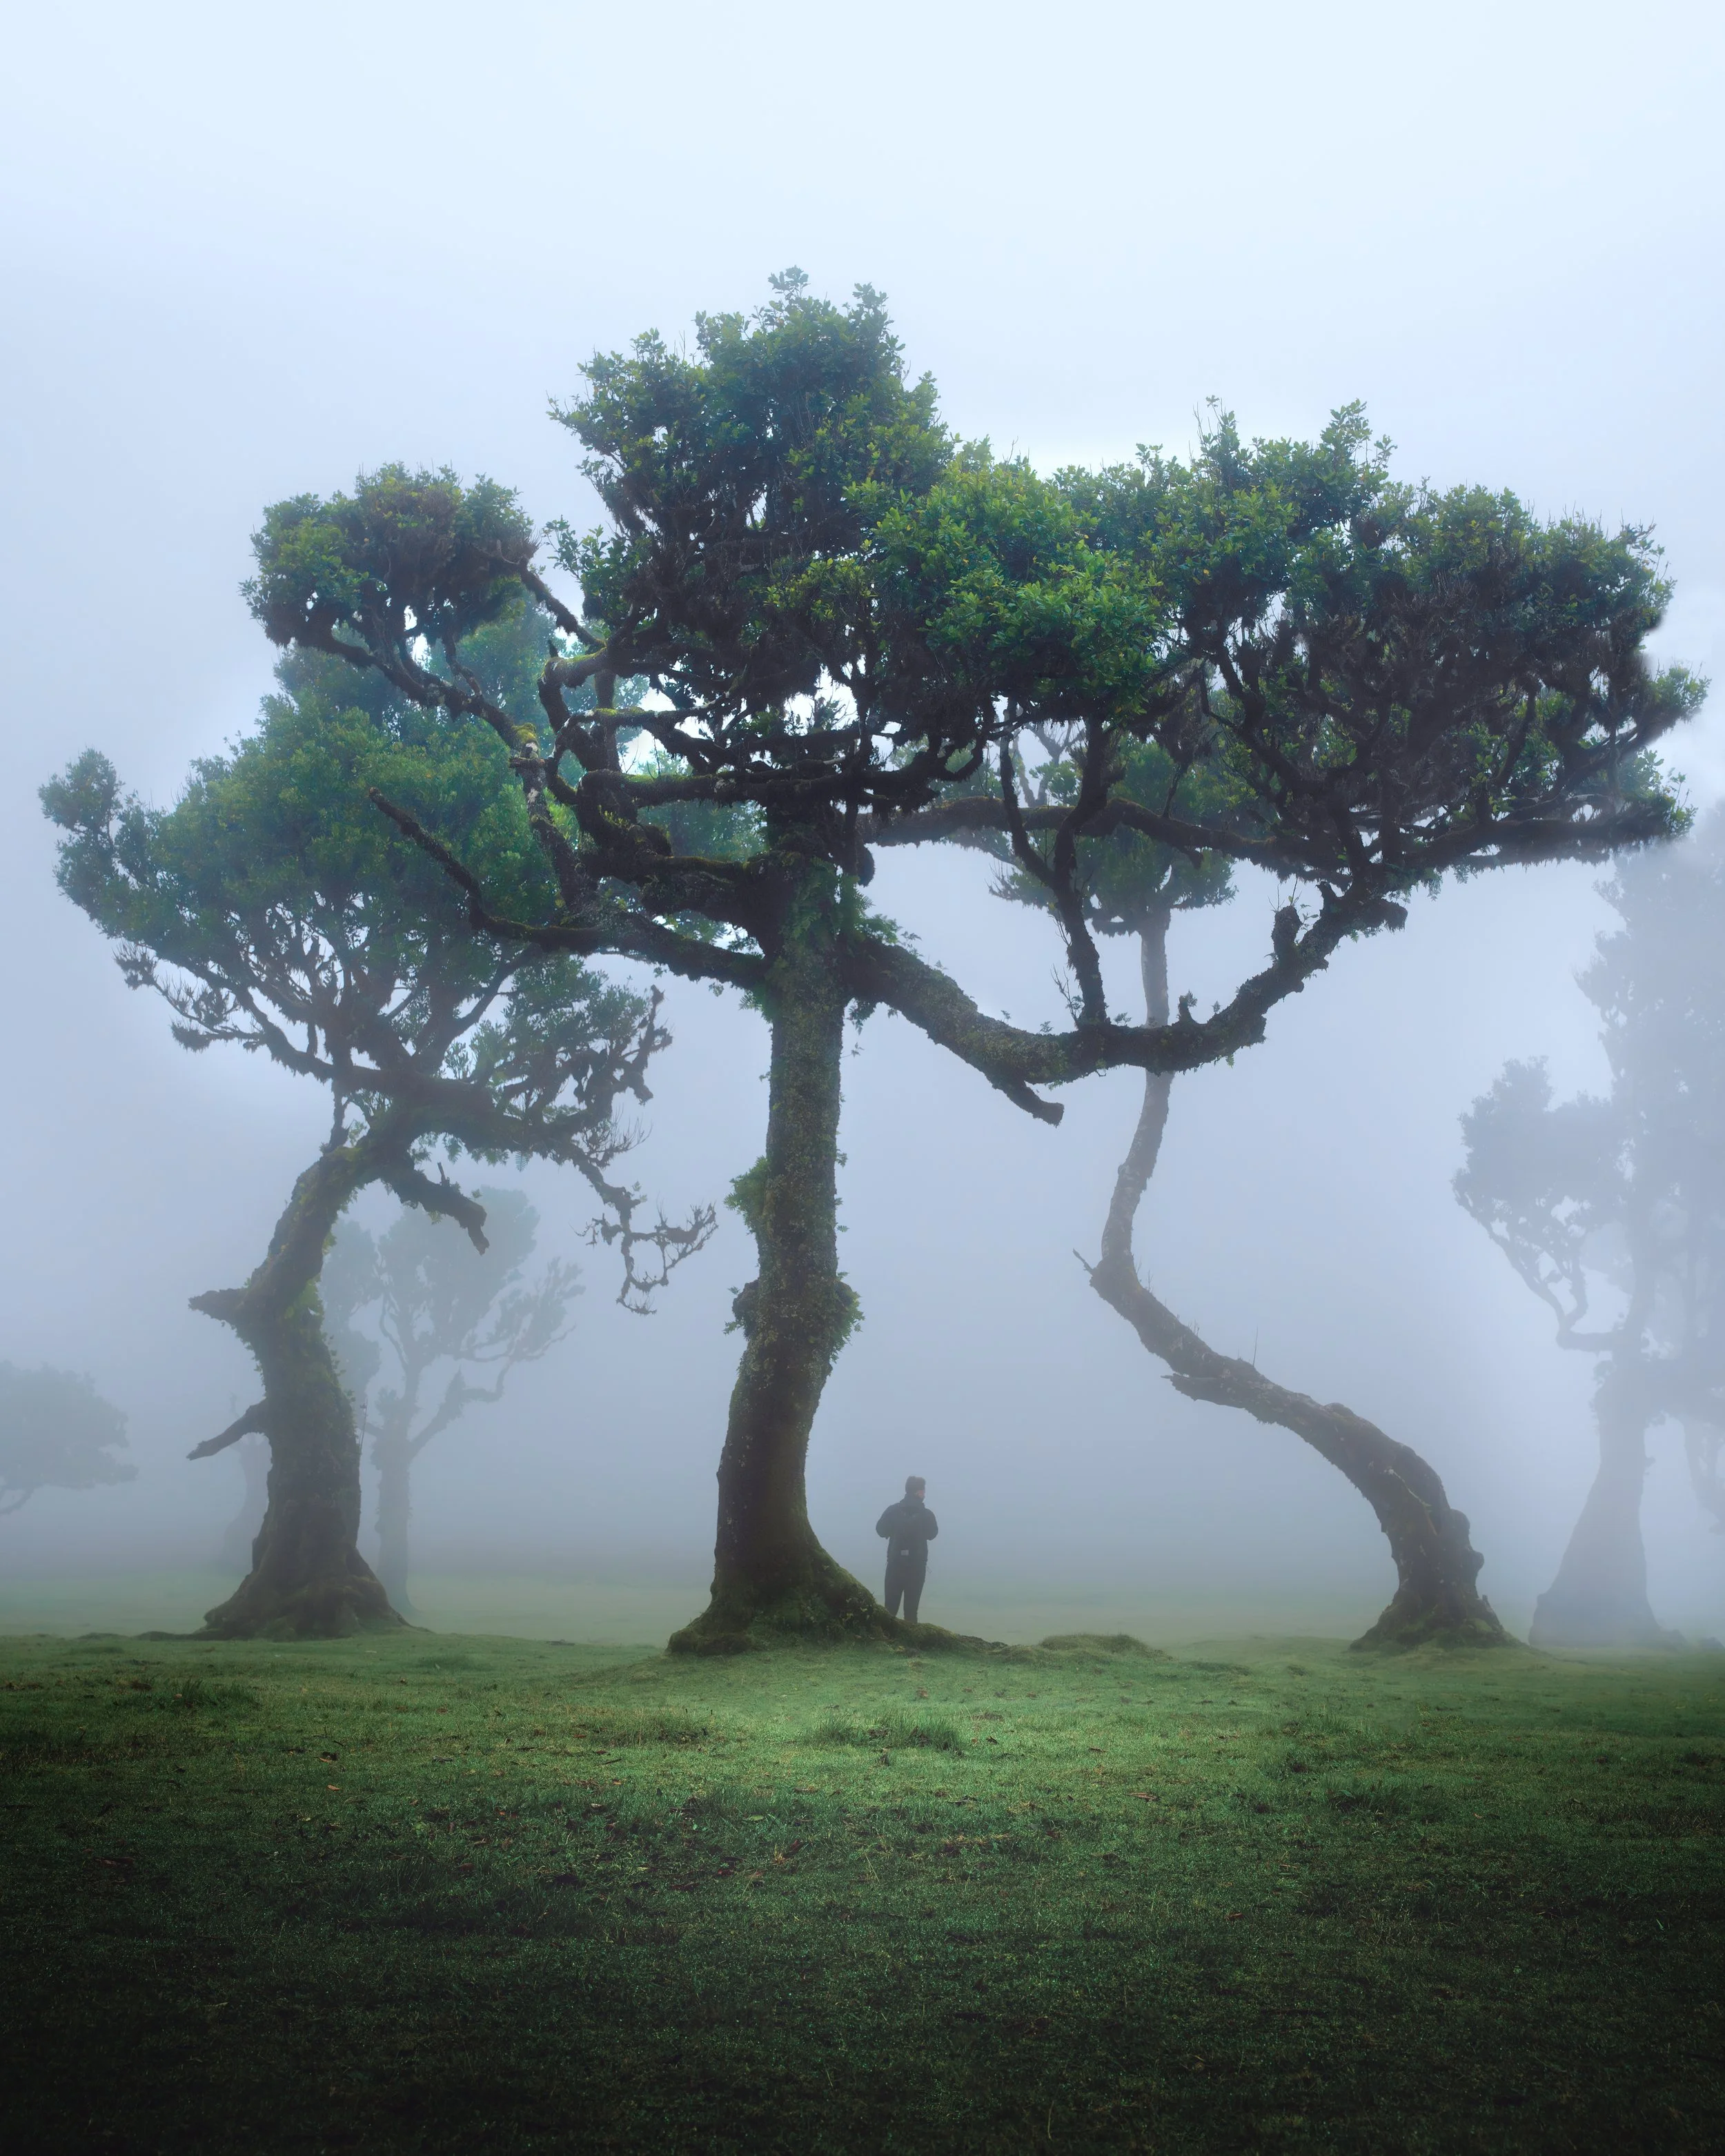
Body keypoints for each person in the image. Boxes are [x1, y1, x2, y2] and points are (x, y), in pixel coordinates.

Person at [876, 1475, 938, 1623]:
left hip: (895, 1566)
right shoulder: (927, 1515)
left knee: (889, 1610)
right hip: (917, 1568)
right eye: (923, 1491)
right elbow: (932, 1534)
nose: (924, 1494)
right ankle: (911, 1636)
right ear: (918, 1493)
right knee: (911, 1612)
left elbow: (880, 1530)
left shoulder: (892, 1511)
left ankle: (886, 1635)